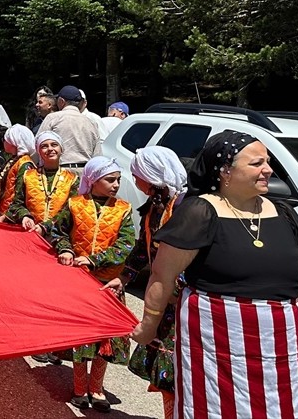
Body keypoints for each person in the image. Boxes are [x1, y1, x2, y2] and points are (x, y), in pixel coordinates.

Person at [133, 131, 298, 419]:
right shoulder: (200, 212)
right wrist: (149, 325)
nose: (268, 170)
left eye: (267, 162)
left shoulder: (283, 213)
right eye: (257, 163)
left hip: (279, 347)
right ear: (225, 172)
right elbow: (162, 275)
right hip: (214, 343)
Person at [101, 146, 188, 419]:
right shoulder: (154, 207)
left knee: (181, 372)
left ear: (151, 176)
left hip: (186, 304)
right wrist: (123, 277)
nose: (135, 180)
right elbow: (142, 248)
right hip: (165, 301)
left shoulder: (186, 207)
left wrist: (177, 287)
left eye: (137, 174)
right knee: (167, 376)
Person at [50, 156, 135, 412]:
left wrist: (94, 259)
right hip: (80, 281)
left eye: (118, 180)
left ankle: (96, 388)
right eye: (110, 180)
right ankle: (79, 388)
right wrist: (65, 249)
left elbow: (126, 245)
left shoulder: (123, 209)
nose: (116, 185)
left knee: (103, 338)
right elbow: (58, 231)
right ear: (94, 180)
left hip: (108, 284)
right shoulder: (75, 204)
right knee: (81, 336)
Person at [5, 131, 79, 235]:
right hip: (30, 232)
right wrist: (25, 216)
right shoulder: (28, 176)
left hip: (58, 236)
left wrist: (45, 227)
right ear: (39, 152)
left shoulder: (72, 179)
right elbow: (16, 204)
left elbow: (69, 212)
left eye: (54, 145)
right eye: (44, 146)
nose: (50, 149)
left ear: (61, 149)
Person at [36, 86, 101, 174]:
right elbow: (97, 155)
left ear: (61, 101)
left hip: (60, 173)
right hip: (85, 173)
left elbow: (38, 143)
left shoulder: (53, 118)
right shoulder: (91, 122)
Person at [0, 125, 36, 219]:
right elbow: (0, 190)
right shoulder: (13, 160)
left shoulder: (24, 165)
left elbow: (20, 197)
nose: (4, 142)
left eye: (6, 140)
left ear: (14, 142)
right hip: (1, 214)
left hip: (11, 218)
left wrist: (5, 217)